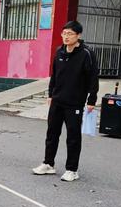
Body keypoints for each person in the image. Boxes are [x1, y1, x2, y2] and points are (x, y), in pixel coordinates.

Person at [33, 21, 99, 182]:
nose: (66, 37)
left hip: (75, 103)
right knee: (52, 133)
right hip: (57, 100)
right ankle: (48, 164)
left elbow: (93, 78)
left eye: (70, 34)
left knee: (73, 137)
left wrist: (92, 100)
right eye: (64, 33)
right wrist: (50, 94)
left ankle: (72, 169)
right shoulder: (59, 52)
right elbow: (54, 75)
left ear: (78, 35)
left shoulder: (86, 54)